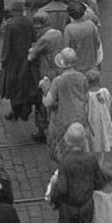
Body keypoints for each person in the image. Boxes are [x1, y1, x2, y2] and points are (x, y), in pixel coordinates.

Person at [49, 122, 104, 223]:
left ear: (68, 142)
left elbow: (62, 189)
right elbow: (99, 182)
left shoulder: (65, 161)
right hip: (87, 206)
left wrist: (54, 196)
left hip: (69, 208)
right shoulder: (91, 158)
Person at [43, 48, 89, 163]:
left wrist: (45, 90)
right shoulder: (82, 77)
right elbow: (86, 97)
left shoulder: (58, 81)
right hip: (79, 118)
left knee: (60, 149)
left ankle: (64, 167)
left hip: (62, 120)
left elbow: (48, 102)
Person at [28, 11, 65, 143]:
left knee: (43, 102)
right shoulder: (58, 34)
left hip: (46, 74)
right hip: (59, 70)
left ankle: (42, 130)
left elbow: (31, 56)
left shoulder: (44, 39)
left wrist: (32, 50)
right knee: (58, 100)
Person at [0, 0, 36, 122]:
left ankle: (15, 111)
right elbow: (34, 38)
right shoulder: (29, 21)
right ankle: (25, 111)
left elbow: (7, 46)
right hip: (26, 59)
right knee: (24, 84)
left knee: (13, 87)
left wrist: (3, 60)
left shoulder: (10, 25)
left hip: (13, 61)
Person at [85, 69, 112, 165]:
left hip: (92, 123)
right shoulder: (105, 91)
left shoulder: (87, 96)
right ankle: (100, 165)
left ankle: (92, 164)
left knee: (91, 145)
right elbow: (109, 103)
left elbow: (85, 111)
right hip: (104, 122)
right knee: (102, 146)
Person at [63, 1, 101, 73]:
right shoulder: (91, 24)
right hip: (91, 61)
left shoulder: (68, 29)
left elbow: (67, 47)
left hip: (77, 65)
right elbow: (97, 42)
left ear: (70, 15)